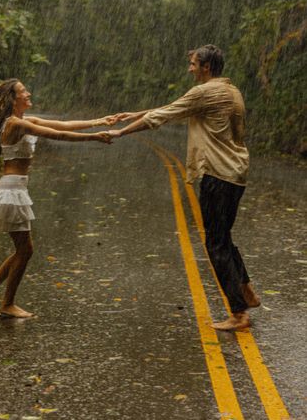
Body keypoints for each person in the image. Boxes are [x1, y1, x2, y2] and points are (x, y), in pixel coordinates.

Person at [109, 44, 260, 331]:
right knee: (223, 237)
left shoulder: (204, 92)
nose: (190, 68)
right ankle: (246, 290)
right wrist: (133, 114)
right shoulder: (231, 91)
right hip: (236, 173)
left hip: (217, 174)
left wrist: (121, 131)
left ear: (206, 67)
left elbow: (163, 116)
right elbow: (177, 108)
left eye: (193, 64)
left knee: (215, 244)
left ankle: (239, 313)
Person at [0, 78, 115, 318]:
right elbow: (57, 135)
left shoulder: (24, 121)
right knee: (25, 249)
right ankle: (4, 302)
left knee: (24, 249)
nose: (28, 93)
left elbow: (63, 125)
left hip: (16, 189)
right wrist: (94, 137)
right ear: (13, 98)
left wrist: (98, 121)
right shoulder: (16, 124)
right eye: (23, 91)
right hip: (11, 192)